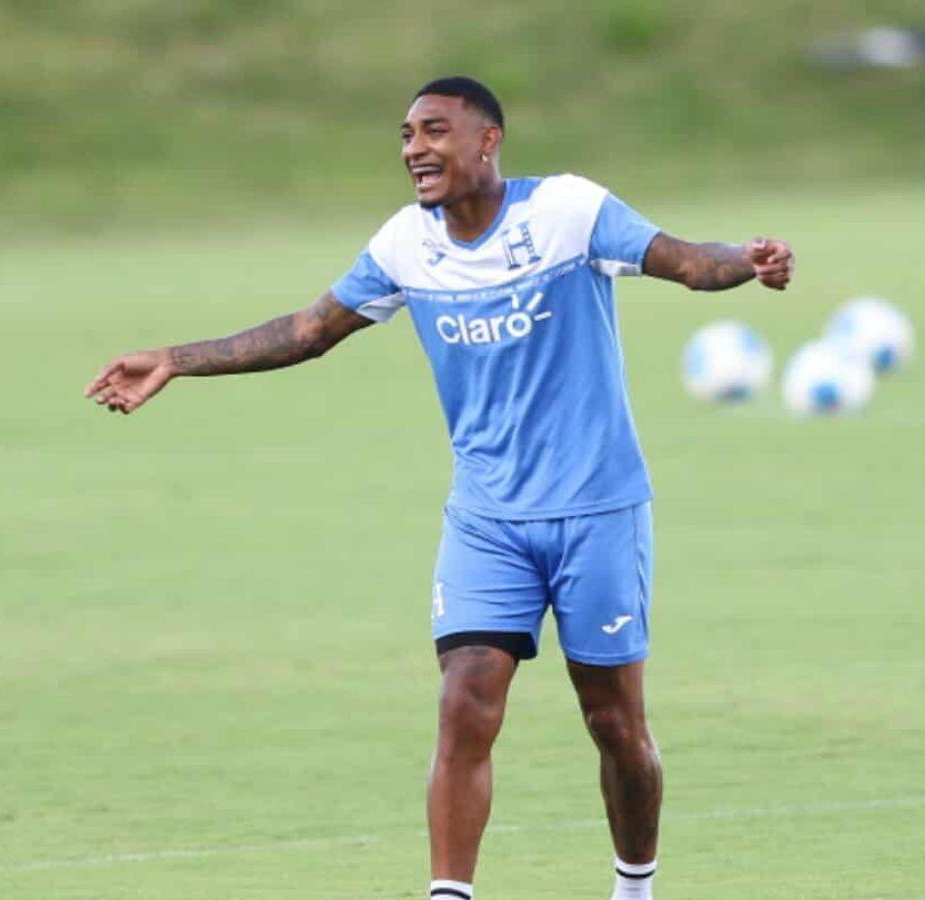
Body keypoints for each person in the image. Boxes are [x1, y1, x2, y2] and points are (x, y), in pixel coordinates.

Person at [84, 76, 794, 900]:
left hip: (597, 511)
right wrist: (176, 357)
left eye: (433, 130)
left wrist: (745, 261)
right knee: (465, 702)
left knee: (614, 725)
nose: (414, 149)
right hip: (488, 520)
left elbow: (683, 262)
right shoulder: (404, 245)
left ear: (488, 140)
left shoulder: (566, 212)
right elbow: (309, 332)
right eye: (405, 135)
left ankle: (634, 888)